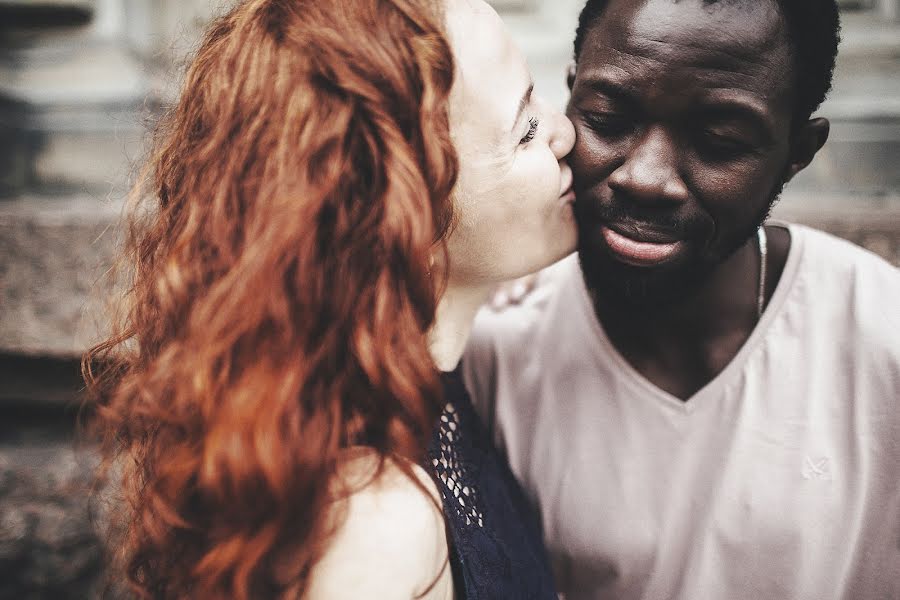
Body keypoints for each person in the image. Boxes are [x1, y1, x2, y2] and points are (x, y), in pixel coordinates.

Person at [83, 0, 576, 598]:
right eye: (524, 131)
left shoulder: (431, 392)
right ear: (403, 214)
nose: (565, 131)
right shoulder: (375, 526)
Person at [463, 0, 900, 598]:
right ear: (570, 100)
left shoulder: (883, 339)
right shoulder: (495, 348)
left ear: (798, 151)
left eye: (719, 142)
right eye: (608, 119)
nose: (646, 176)